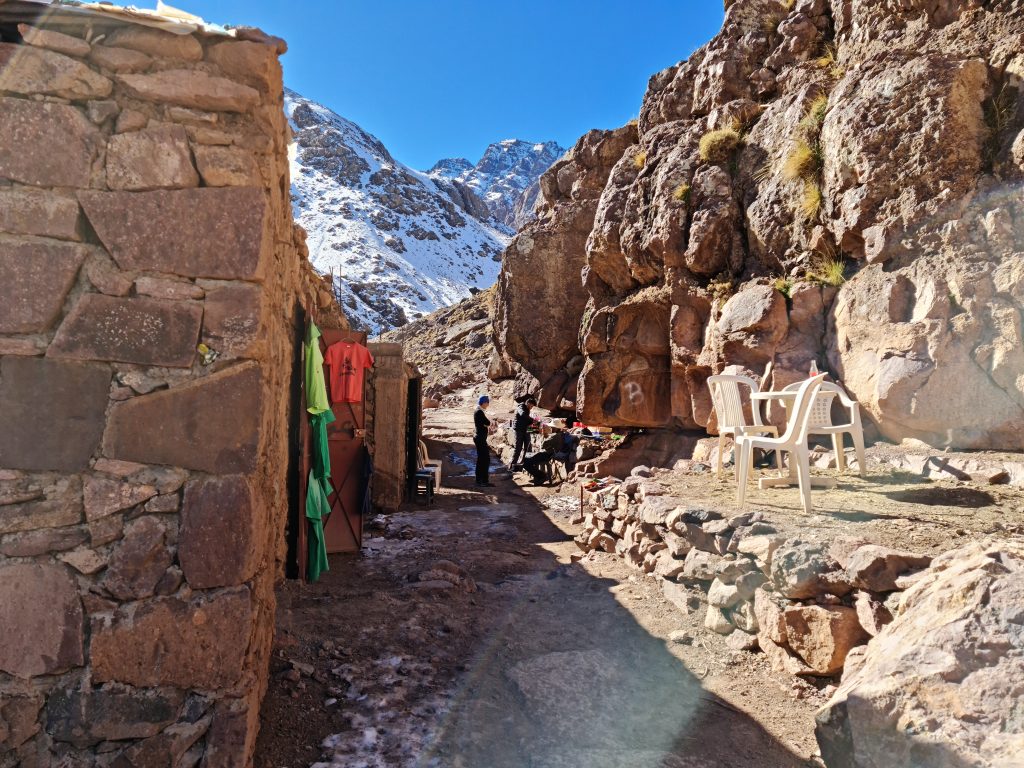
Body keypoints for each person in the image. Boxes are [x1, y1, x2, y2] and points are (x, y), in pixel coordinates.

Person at [474, 395, 494, 488]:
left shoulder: (478, 411)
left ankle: (479, 480)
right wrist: (488, 425)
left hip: (479, 438)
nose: (488, 405)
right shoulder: (479, 412)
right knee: (485, 459)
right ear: (484, 402)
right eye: (487, 403)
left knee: (481, 459)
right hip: (480, 438)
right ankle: (483, 481)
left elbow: (485, 423)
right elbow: (487, 422)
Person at [510, 397, 537, 469]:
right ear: (528, 403)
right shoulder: (520, 406)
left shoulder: (527, 409)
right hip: (519, 430)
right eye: (531, 406)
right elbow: (522, 415)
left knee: (528, 447)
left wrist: (534, 422)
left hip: (526, 429)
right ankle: (512, 465)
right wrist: (532, 420)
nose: (531, 408)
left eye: (532, 407)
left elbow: (526, 419)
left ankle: (527, 463)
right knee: (518, 448)